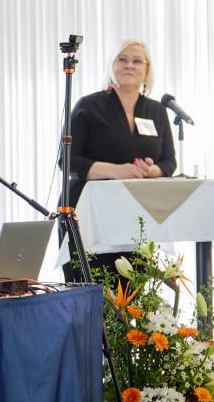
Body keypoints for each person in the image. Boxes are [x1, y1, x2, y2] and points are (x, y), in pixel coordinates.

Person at [63, 39, 176, 279]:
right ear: (112, 65)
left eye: (137, 61)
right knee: (88, 292)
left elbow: (169, 163)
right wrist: (116, 171)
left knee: (131, 294)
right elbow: (68, 162)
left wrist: (150, 171)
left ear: (147, 69)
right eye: (122, 60)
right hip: (88, 215)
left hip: (135, 215)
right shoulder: (88, 106)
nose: (129, 65)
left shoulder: (157, 111)